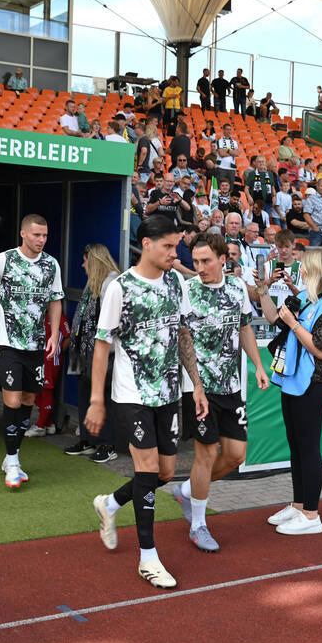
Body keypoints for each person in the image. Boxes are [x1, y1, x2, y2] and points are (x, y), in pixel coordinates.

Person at [88, 215, 209, 589]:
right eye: (169, 247)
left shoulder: (176, 282)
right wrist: (96, 400)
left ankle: (109, 503)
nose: (176, 254)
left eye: (177, 246)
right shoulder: (120, 287)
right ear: (147, 244)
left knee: (166, 473)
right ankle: (148, 557)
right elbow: (102, 346)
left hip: (170, 394)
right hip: (132, 395)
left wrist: (198, 385)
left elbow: (183, 335)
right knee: (145, 470)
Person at [171, 234, 270, 551]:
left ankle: (187, 490)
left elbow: (244, 328)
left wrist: (258, 365)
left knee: (236, 455)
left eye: (206, 261)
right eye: (195, 261)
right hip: (199, 388)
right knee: (206, 453)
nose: (199, 267)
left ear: (223, 259)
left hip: (232, 386)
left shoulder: (237, 287)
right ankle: (198, 525)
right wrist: (195, 383)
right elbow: (181, 339)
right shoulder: (186, 290)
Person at [256, 248, 322, 535]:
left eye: (305, 266)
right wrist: (262, 291)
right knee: (296, 446)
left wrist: (294, 324)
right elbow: (273, 319)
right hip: (293, 382)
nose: (300, 270)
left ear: (315, 269)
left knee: (308, 448)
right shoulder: (304, 299)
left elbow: (320, 350)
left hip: (314, 385)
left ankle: (311, 514)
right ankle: (298, 505)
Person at [0, 214, 64, 488]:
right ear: (23, 234)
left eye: (45, 235)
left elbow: (55, 300)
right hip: (7, 344)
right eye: (37, 235)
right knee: (13, 401)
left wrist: (53, 334)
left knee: (29, 399)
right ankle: (13, 461)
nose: (41, 240)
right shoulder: (3, 260)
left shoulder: (51, 264)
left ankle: (12, 455)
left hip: (36, 345)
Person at [67, 244, 121, 463]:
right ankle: (88, 440)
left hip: (103, 353)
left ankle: (108, 445)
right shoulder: (93, 283)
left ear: (96, 261)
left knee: (104, 397)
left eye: (85, 260)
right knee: (84, 395)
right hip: (83, 351)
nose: (82, 265)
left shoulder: (112, 283)